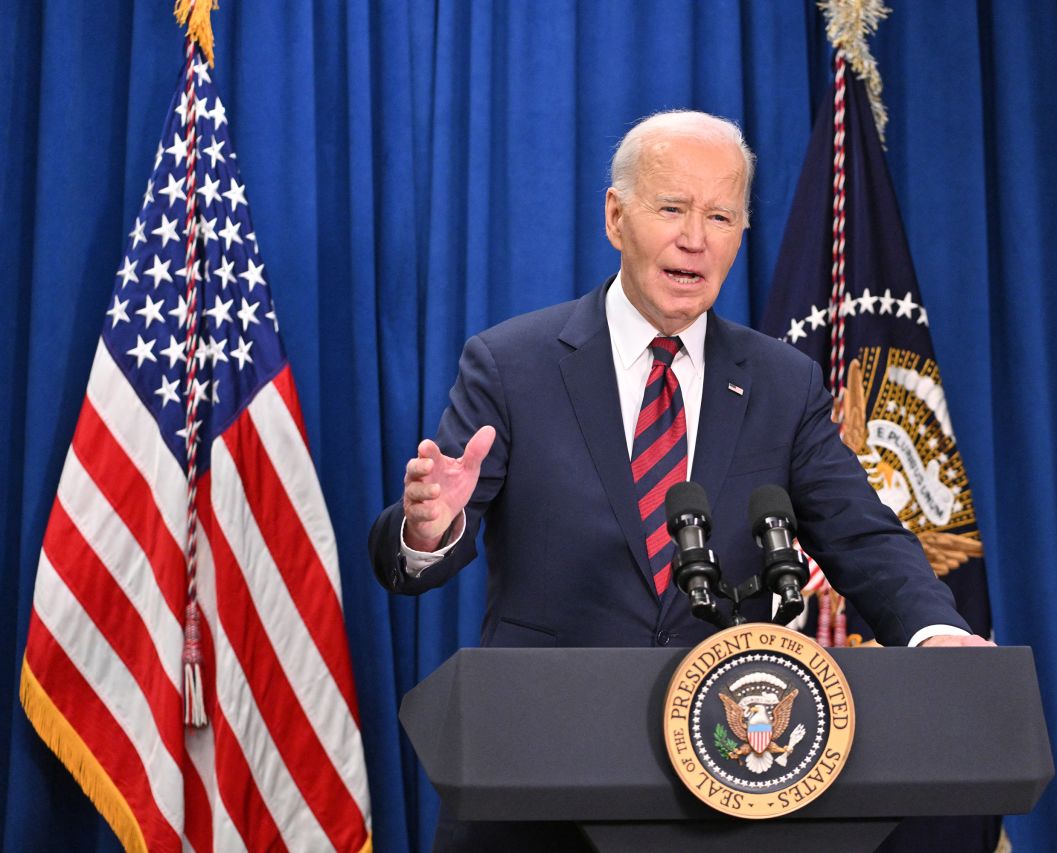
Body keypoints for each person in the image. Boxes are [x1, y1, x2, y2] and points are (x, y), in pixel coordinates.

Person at [369, 110, 990, 851]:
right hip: (537, 774)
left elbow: (862, 533)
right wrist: (428, 527)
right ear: (615, 215)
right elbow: (420, 550)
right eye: (672, 208)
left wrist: (935, 631)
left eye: (721, 215)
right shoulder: (513, 364)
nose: (695, 238)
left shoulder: (780, 383)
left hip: (724, 784)